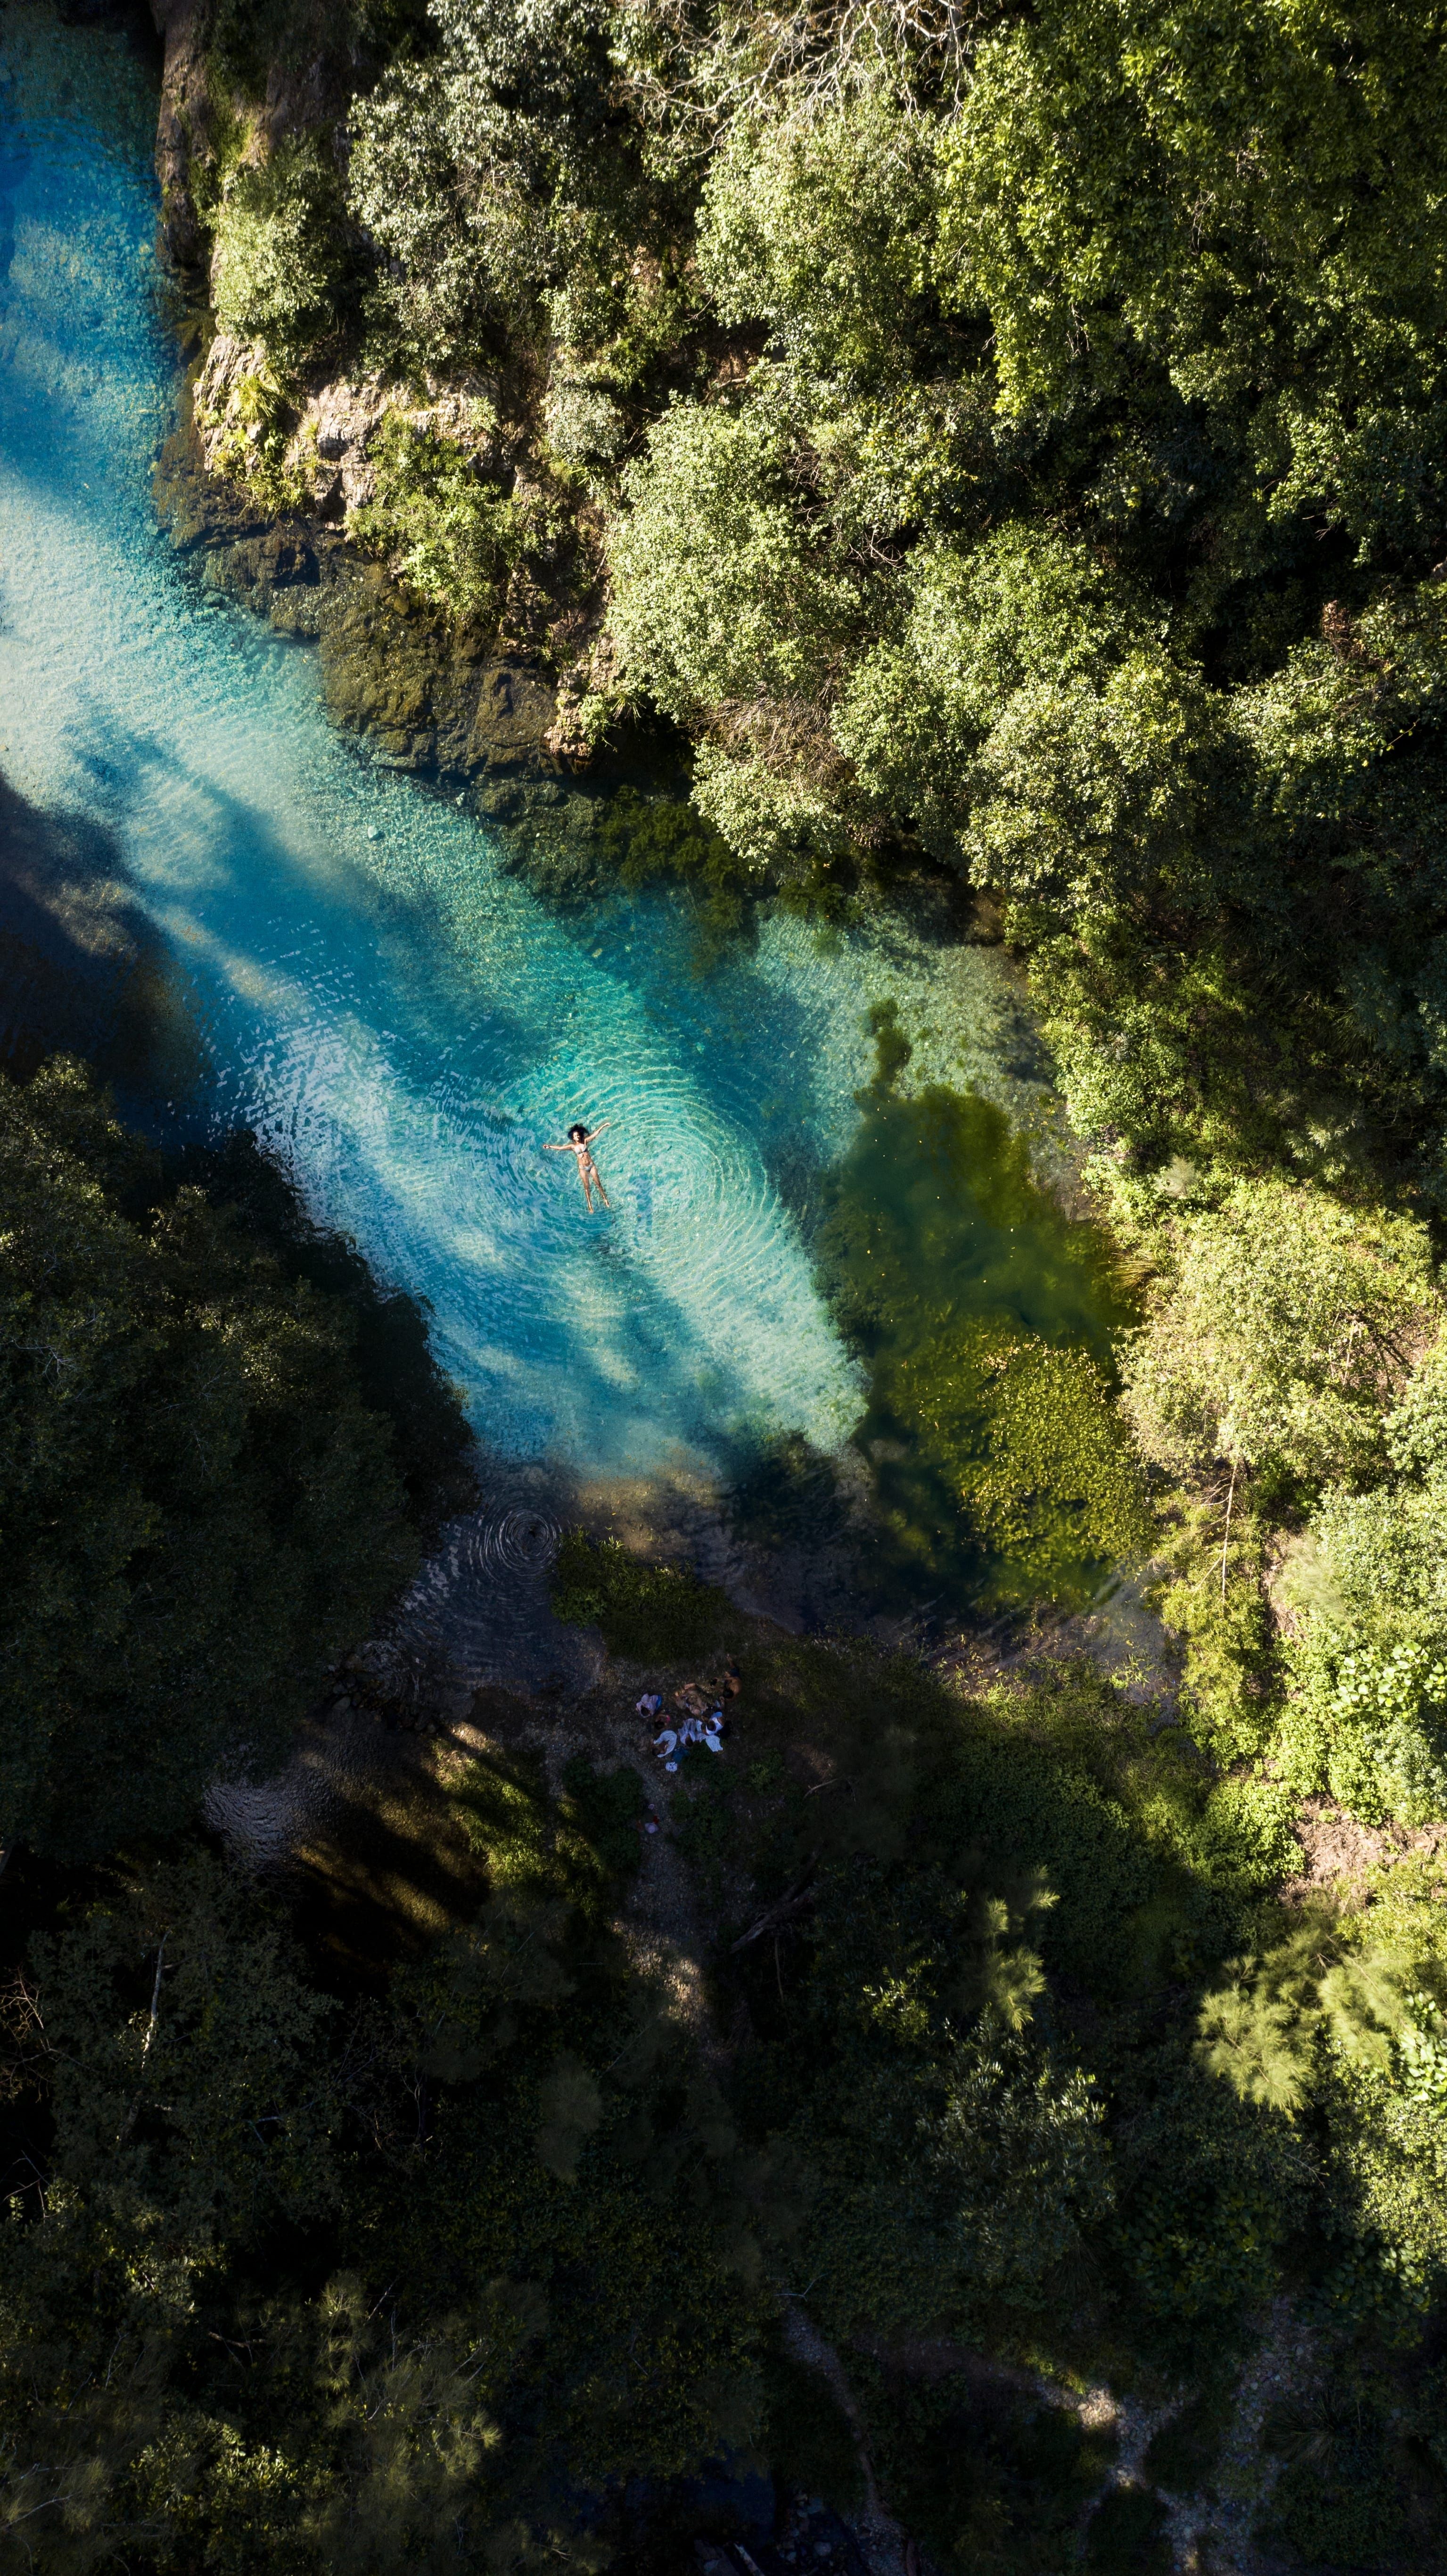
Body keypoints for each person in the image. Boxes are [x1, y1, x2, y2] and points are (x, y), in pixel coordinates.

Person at [546, 1120, 611, 1212]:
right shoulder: (572, 1147)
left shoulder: (585, 1141)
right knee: (587, 1187)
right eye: (575, 1136)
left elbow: (595, 1134)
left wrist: (604, 1126)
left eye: (578, 1135)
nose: (578, 1137)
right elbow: (560, 1148)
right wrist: (549, 1146)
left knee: (598, 1184)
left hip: (591, 1166)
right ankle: (590, 1205)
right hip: (583, 1168)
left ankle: (605, 1199)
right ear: (573, 1138)